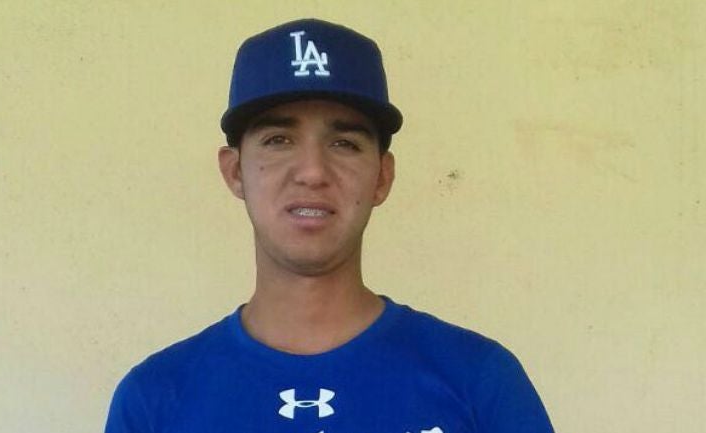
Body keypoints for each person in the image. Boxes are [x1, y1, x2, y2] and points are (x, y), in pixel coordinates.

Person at [105, 18, 554, 433]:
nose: (313, 171)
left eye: (344, 143)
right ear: (235, 171)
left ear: (382, 176)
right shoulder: (155, 400)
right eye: (278, 140)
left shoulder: (480, 380)